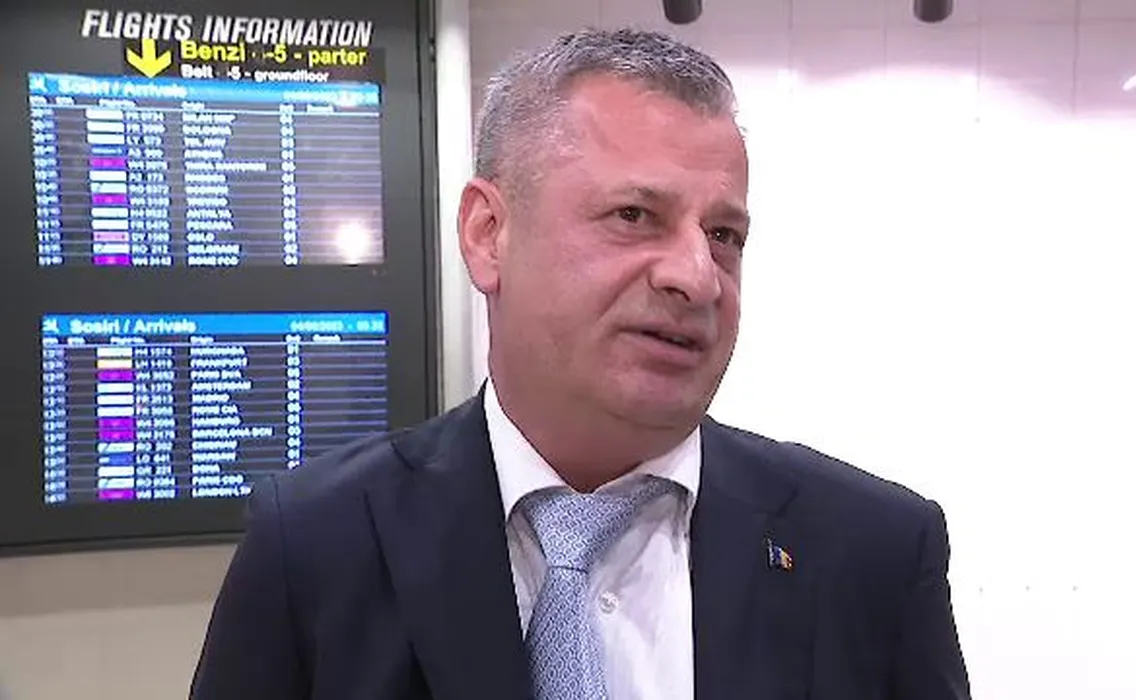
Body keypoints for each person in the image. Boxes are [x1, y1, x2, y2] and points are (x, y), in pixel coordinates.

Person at [190, 27, 972, 700]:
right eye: (635, 215)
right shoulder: (316, 547)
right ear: (488, 234)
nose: (697, 277)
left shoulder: (874, 551)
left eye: (724, 236)